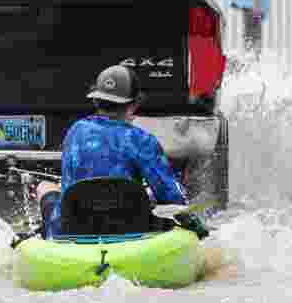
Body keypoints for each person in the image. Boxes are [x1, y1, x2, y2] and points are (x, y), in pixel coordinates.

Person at [35, 65, 205, 239]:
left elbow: (68, 184)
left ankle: (46, 234)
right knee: (149, 196)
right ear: (134, 104)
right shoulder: (142, 140)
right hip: (129, 228)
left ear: (95, 101)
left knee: (44, 187)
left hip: (73, 228)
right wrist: (197, 228)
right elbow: (171, 196)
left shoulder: (75, 131)